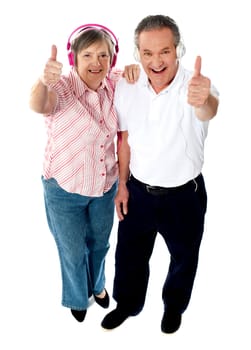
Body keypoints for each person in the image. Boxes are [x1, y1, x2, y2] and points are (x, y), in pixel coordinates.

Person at [101, 14, 219, 333]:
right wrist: (122, 185)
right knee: (129, 255)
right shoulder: (127, 84)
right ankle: (128, 304)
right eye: (148, 53)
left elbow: (208, 108)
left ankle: (174, 307)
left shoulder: (196, 85)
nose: (156, 61)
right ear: (137, 53)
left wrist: (204, 98)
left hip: (185, 196)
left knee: (184, 258)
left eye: (165, 51)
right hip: (138, 192)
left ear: (177, 49)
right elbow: (123, 139)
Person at [29, 24, 139, 323]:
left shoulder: (114, 84)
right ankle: (78, 298)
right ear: (74, 57)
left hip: (105, 188)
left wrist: (134, 71)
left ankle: (98, 285)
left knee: (100, 244)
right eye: (88, 54)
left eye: (104, 55)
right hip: (64, 189)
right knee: (73, 250)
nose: (97, 62)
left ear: (111, 60)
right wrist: (42, 81)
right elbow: (39, 104)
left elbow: (138, 84)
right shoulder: (60, 88)